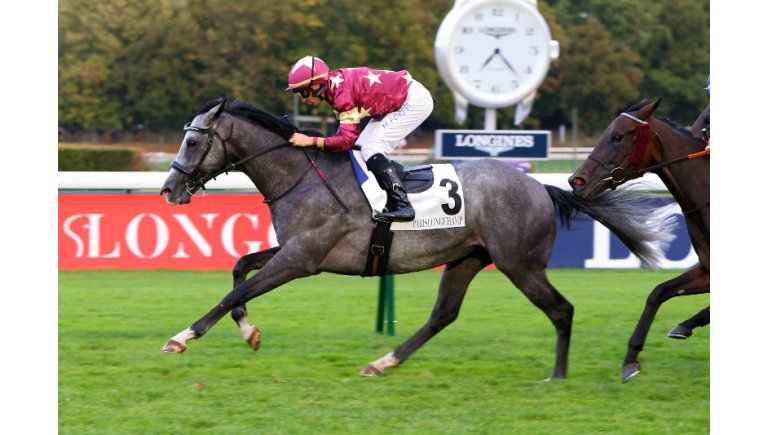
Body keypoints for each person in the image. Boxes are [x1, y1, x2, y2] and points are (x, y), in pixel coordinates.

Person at [285, 55, 434, 223]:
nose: (303, 99)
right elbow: (347, 141)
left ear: (316, 86)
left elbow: (346, 140)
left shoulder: (341, 94)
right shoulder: (334, 88)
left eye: (304, 92)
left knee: (371, 149)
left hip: (413, 101)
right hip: (397, 101)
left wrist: (311, 141)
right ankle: (390, 188)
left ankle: (403, 205)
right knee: (358, 150)